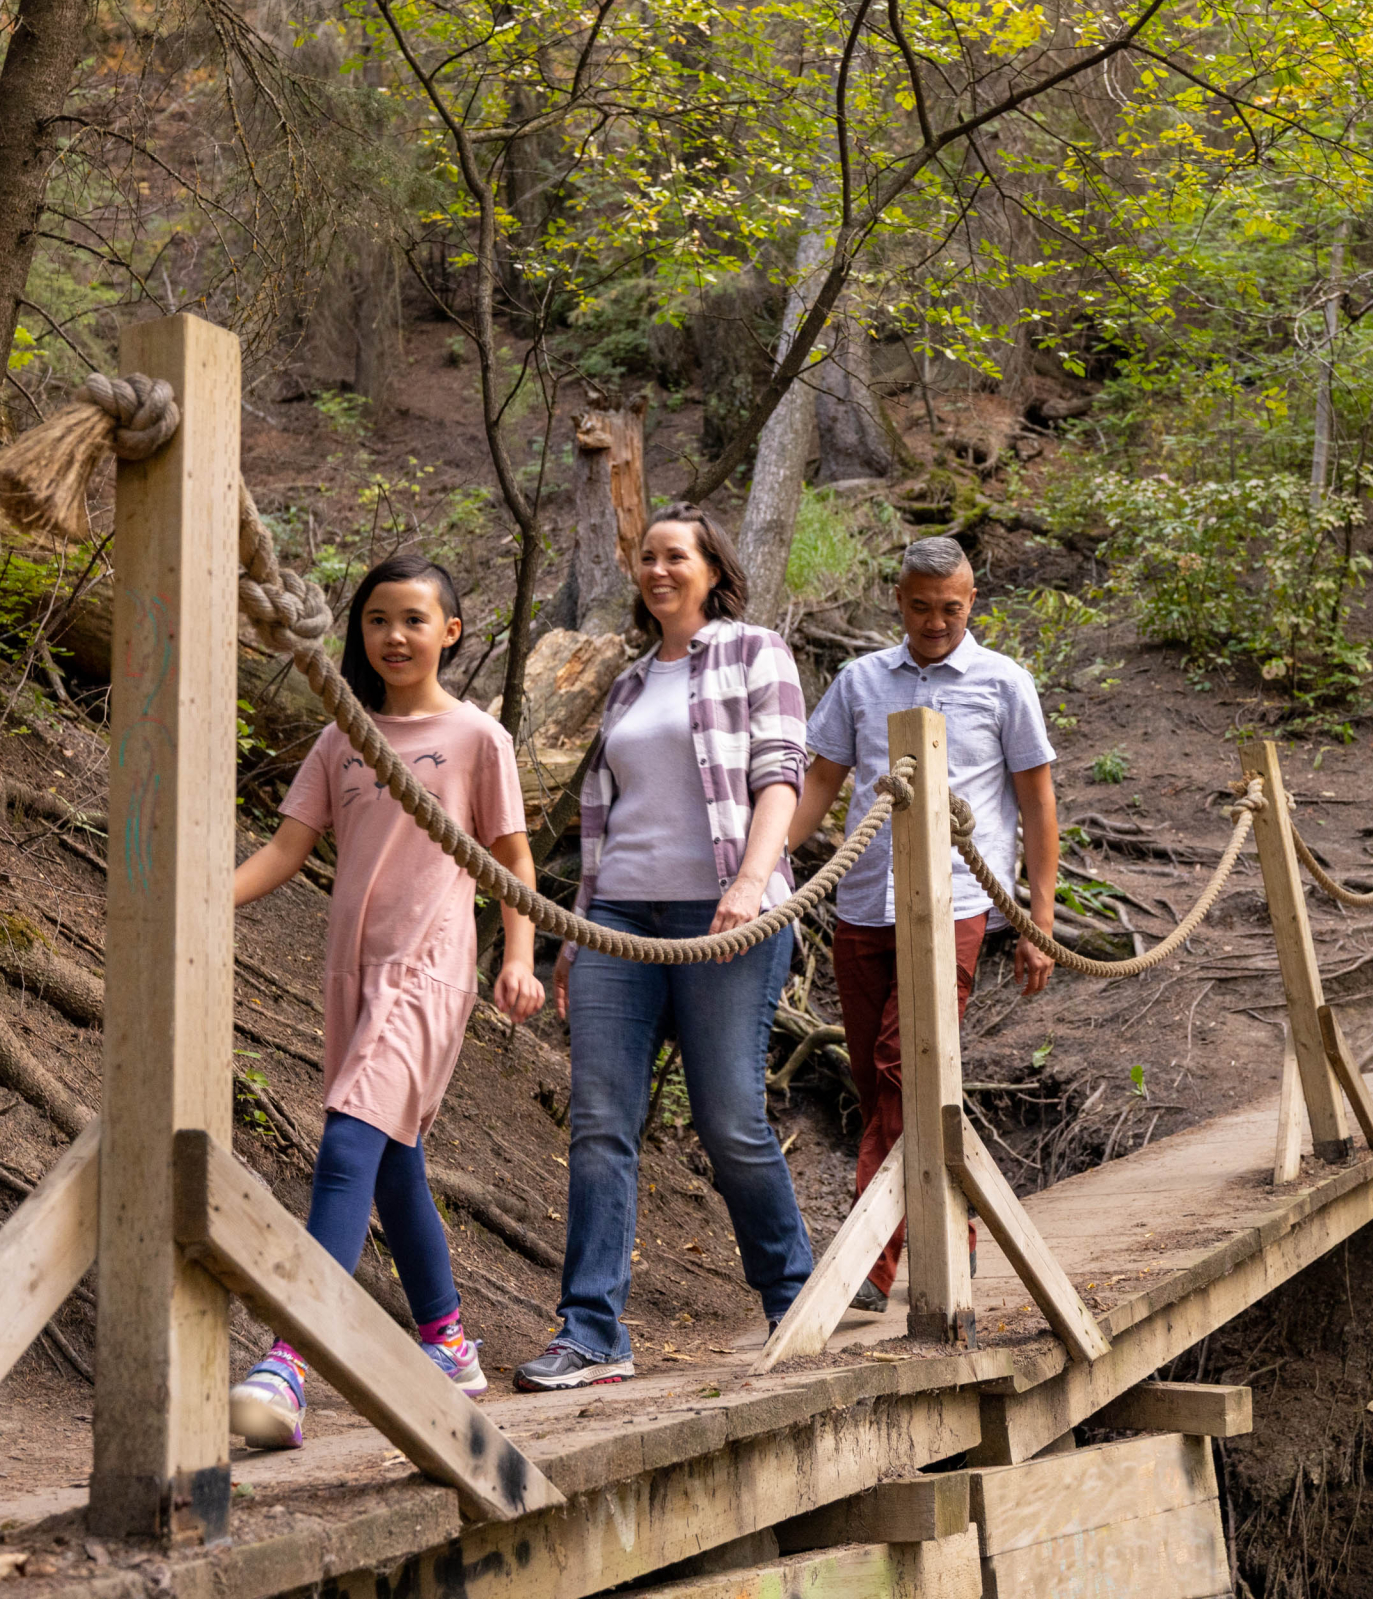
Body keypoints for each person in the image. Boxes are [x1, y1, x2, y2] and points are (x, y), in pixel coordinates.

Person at [227, 554, 541, 1451]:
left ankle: (292, 1356)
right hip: (351, 973)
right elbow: (288, 850)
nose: (394, 636)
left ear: (450, 632)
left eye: (414, 619)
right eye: (377, 620)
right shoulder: (345, 737)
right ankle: (446, 1344)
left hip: (430, 967)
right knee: (395, 1157)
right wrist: (200, 902)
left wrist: (518, 955)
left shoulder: (479, 737)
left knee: (346, 1145)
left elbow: (512, 861)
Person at [516, 508, 812, 1390]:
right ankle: (593, 1330)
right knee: (602, 1125)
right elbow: (606, 826)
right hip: (619, 926)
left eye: (674, 555)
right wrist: (577, 930)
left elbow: (780, 776)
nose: (657, 569)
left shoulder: (756, 651)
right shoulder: (628, 683)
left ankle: (794, 1296)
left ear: (712, 569)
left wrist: (752, 886)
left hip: (726, 913)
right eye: (646, 556)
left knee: (729, 1122)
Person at [787, 535, 1058, 1314]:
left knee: (909, 1062)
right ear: (897, 601)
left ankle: (870, 1263)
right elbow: (821, 784)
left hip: (957, 904)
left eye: (951, 607)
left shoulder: (1004, 683)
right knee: (878, 1083)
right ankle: (954, 1235)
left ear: (971, 603)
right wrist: (763, 866)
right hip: (863, 902)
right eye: (920, 606)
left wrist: (1038, 919)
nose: (935, 621)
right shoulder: (861, 680)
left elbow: (1037, 804)